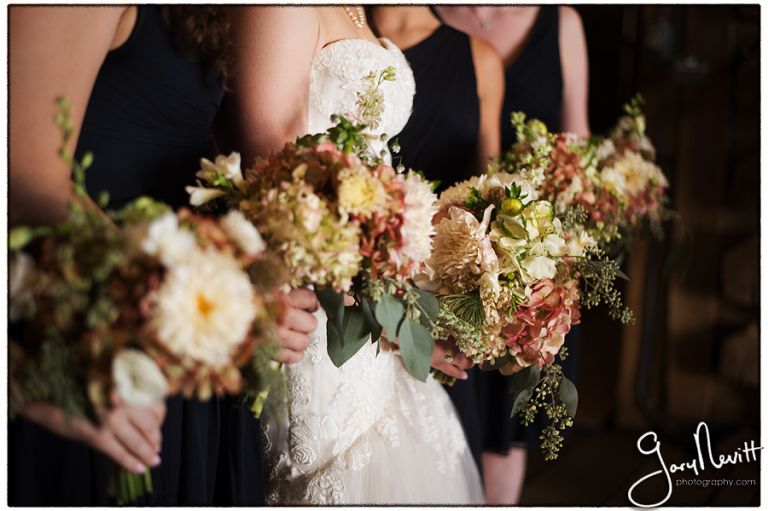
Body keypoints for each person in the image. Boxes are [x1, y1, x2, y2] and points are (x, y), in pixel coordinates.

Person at [9, 6, 317, 505]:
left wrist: (243, 287)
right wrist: (213, 305)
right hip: (87, 313)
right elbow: (25, 174)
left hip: (164, 326)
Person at [226, 6, 483, 504]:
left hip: (369, 285)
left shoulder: (360, 9)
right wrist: (392, 316)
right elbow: (273, 158)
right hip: (320, 291)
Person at [435, 5, 591, 504]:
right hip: (444, 258)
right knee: (444, 422)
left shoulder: (561, 23)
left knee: (507, 430)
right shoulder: (420, 14)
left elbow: (577, 144)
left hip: (531, 261)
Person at [368, 5, 504, 474]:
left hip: (440, 305)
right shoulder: (343, 35)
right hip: (354, 286)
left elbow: (491, 199)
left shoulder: (480, 59)